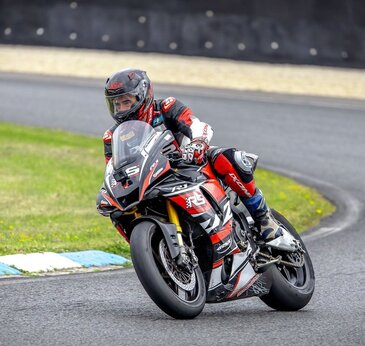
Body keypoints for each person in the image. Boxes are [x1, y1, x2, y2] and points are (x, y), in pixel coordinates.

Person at [96, 68, 282, 241]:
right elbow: (114, 169)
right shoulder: (111, 136)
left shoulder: (167, 107)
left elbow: (196, 125)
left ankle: (263, 218)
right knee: (118, 210)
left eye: (126, 102)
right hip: (153, 181)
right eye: (116, 104)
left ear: (142, 96)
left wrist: (198, 144)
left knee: (227, 158)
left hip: (190, 165)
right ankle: (153, 248)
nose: (121, 109)